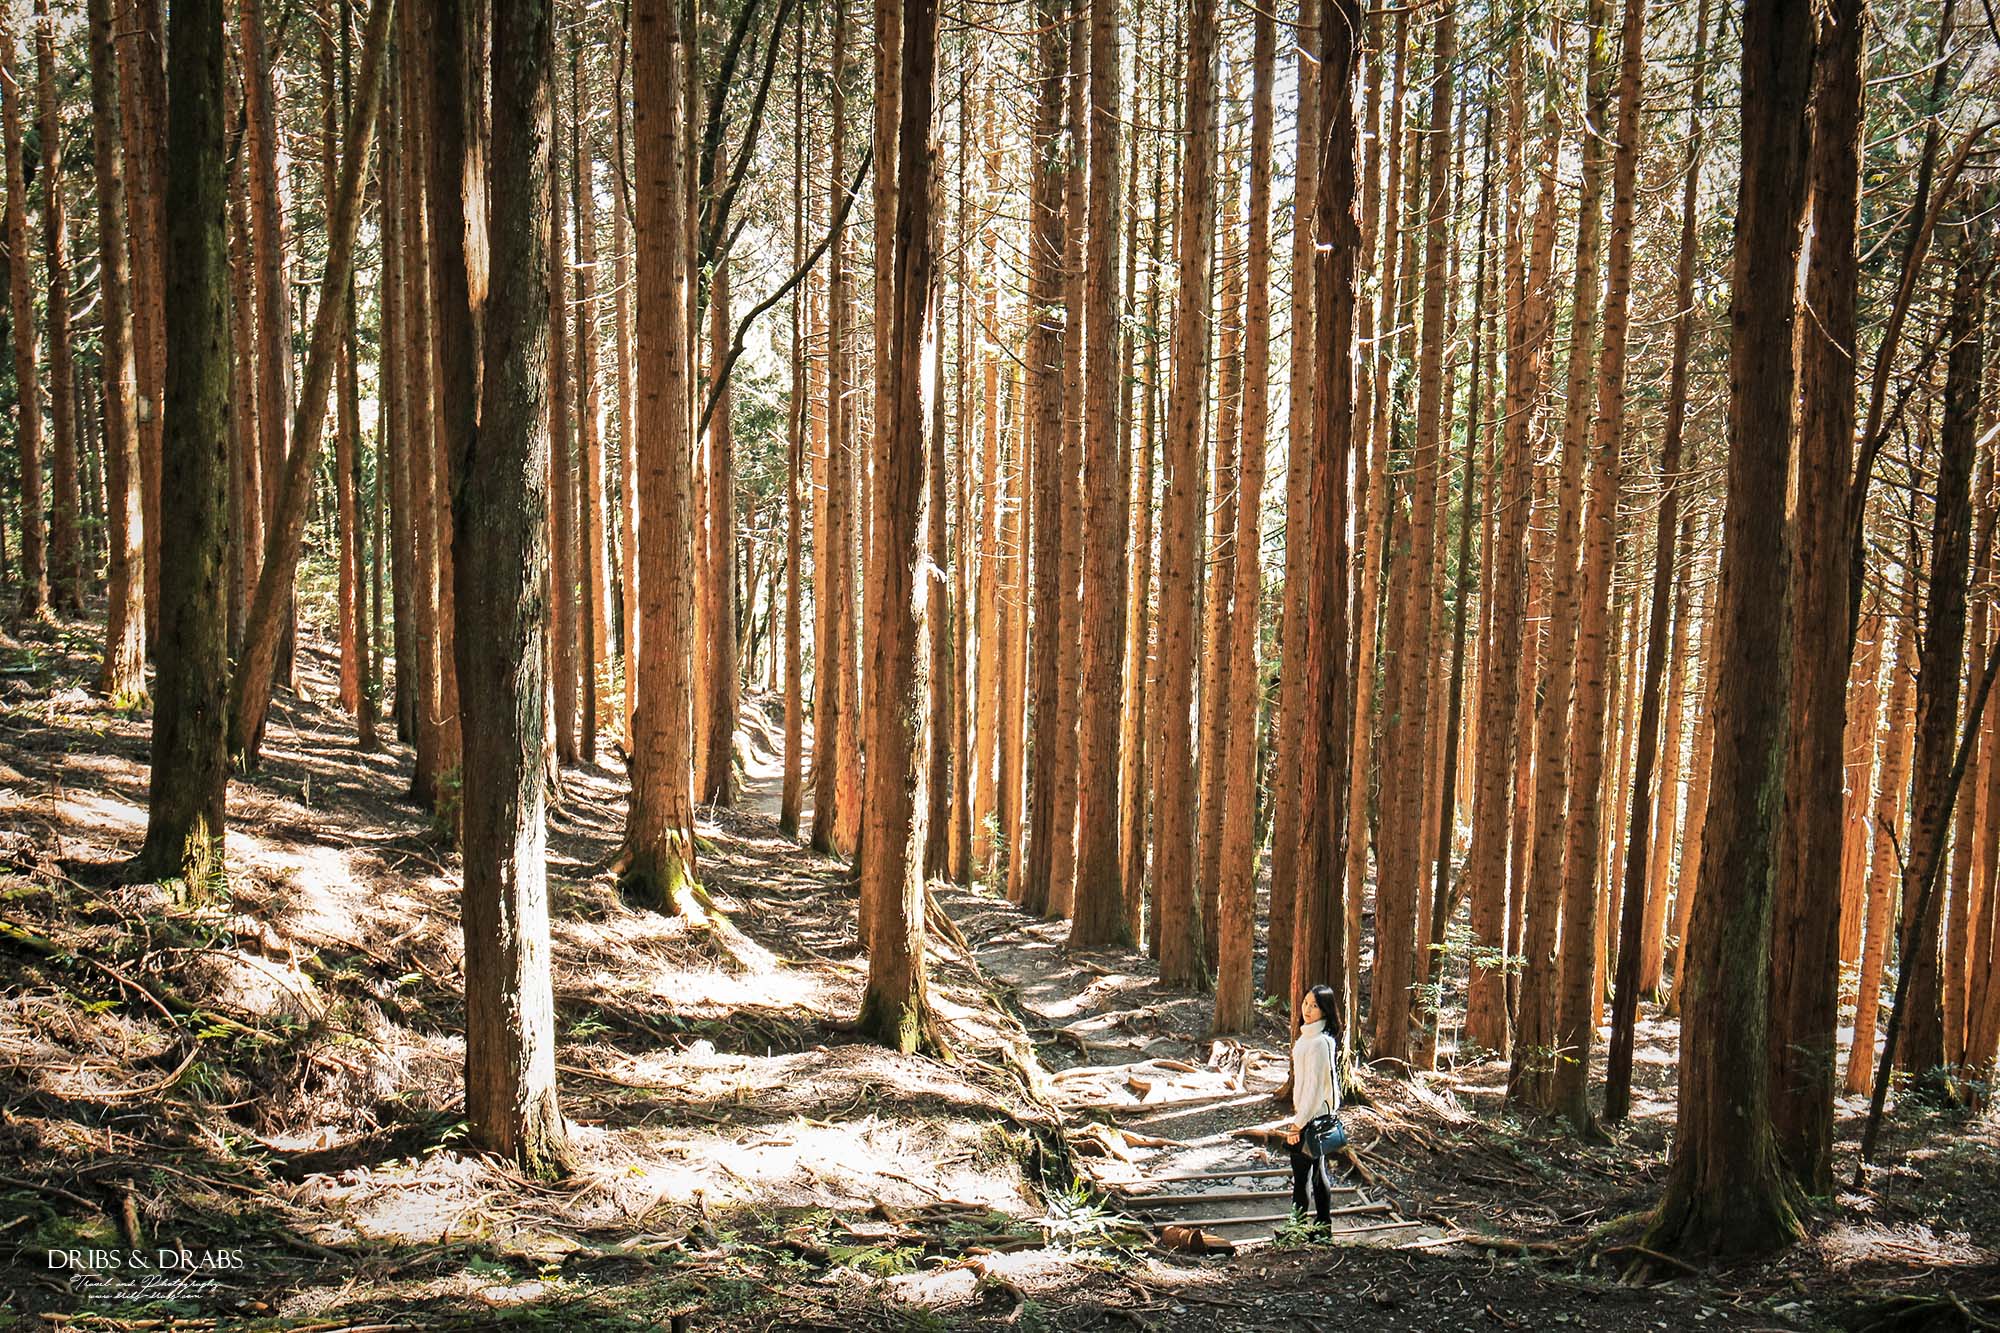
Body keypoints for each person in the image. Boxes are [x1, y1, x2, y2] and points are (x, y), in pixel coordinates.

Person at [1285, 984, 1343, 1226]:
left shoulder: (1318, 1043)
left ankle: (1296, 1229)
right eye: (1306, 1002)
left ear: (1325, 1010)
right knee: (1318, 1174)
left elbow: (1315, 1089)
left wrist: (1297, 1124)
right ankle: (1322, 1227)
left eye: (1315, 1005)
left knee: (1302, 1177)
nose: (1307, 1009)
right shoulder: (1310, 1038)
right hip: (1314, 1117)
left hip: (1312, 1119)